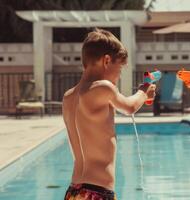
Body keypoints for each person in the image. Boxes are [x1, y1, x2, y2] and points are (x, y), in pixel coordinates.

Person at [62, 28, 156, 200]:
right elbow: (129, 107)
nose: (118, 76)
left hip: (74, 191)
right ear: (106, 60)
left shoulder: (68, 97)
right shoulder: (103, 87)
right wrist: (144, 91)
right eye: (119, 69)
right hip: (97, 192)